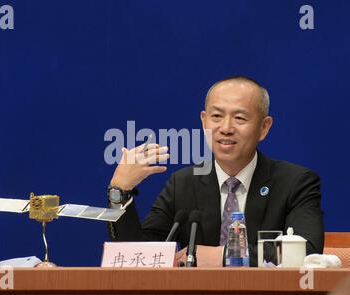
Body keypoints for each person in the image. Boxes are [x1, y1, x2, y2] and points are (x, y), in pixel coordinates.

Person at [106, 76, 324, 267]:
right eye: (217, 116)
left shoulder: (295, 182)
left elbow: (306, 252)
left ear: (264, 127)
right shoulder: (182, 183)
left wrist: (221, 256)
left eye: (240, 118)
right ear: (203, 121)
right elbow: (137, 257)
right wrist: (120, 192)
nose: (226, 128)